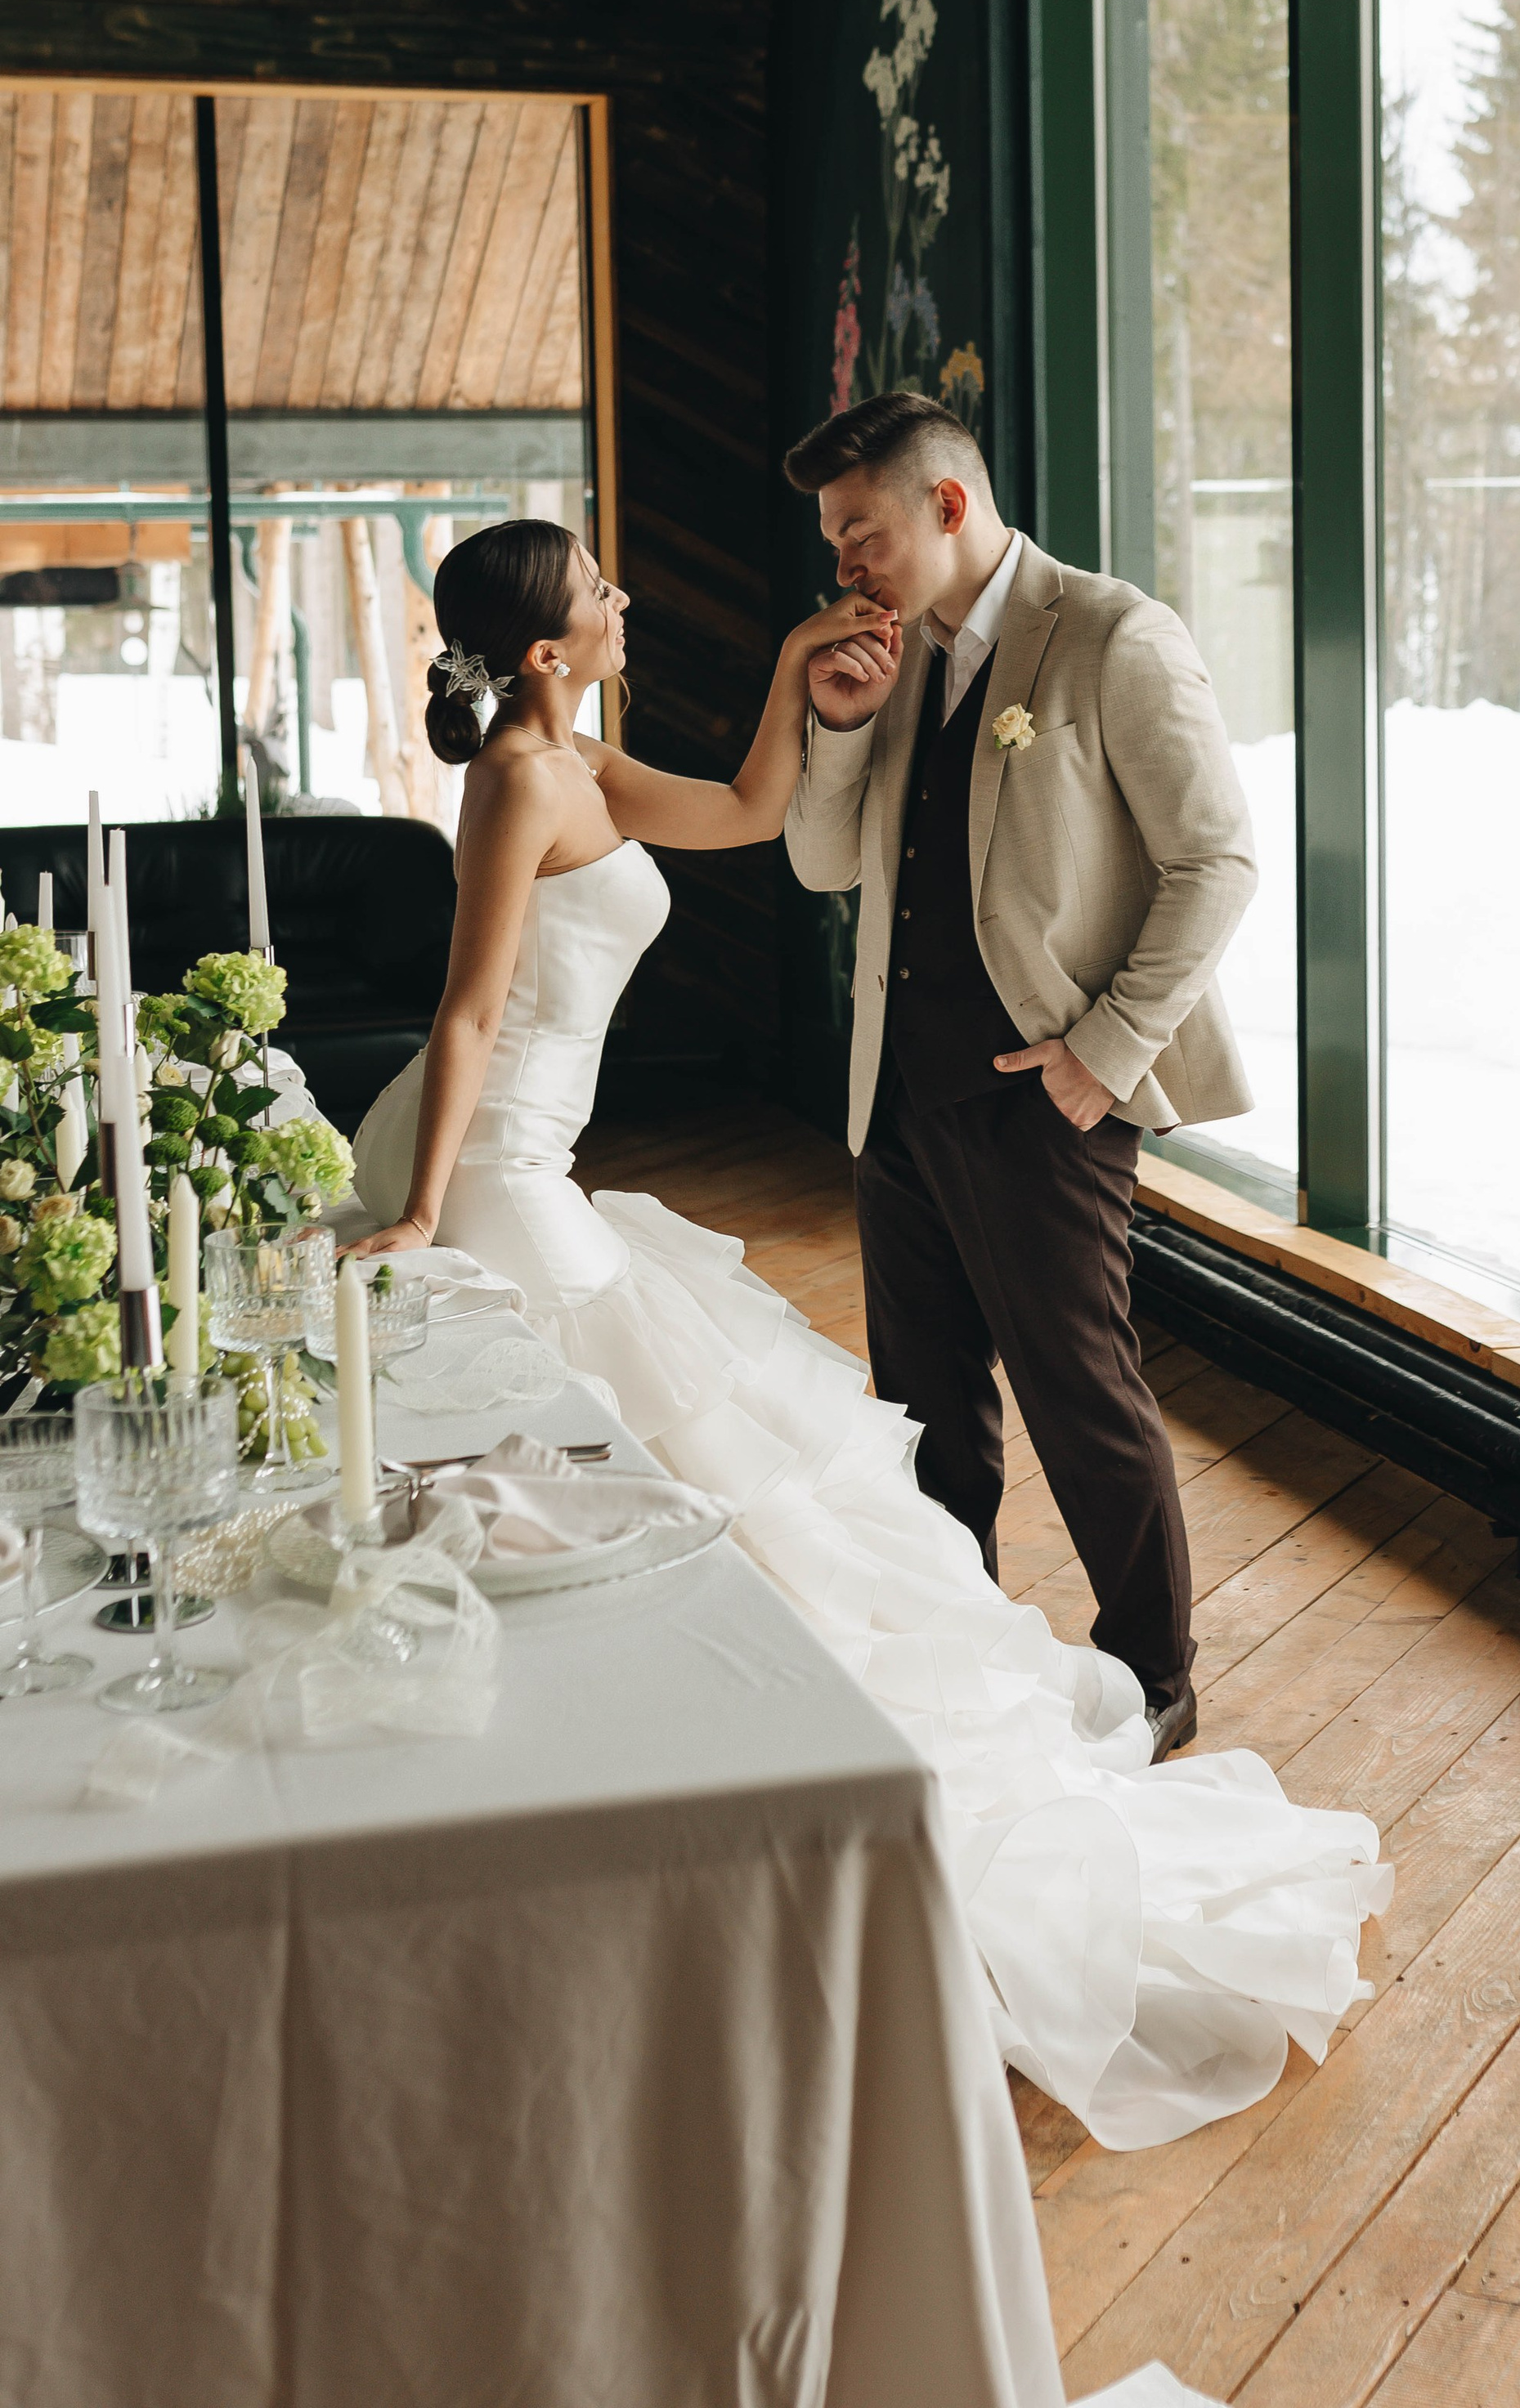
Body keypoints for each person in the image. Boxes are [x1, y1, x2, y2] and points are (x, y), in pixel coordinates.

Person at [348, 512, 1388, 2151]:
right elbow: (469, 1010)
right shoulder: (515, 784)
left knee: (696, 1475)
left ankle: (730, 1775)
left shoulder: (589, 762)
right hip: (495, 1174)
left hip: (541, 1159)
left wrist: (786, 670)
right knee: (672, 1476)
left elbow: (760, 814)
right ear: (546, 654)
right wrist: (416, 1212)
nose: (627, 603)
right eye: (601, 597)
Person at [781, 391, 1256, 1760]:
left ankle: (1154, 1679)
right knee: (927, 1412)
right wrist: (842, 723)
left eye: (859, 532)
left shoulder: (1112, 635)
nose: (844, 565)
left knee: (1078, 1393)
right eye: (833, 539)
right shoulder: (899, 661)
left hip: (1045, 1098)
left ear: (944, 504)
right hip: (898, 1101)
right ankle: (958, 1651)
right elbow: (823, 864)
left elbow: (1216, 863)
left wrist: (1104, 1053)